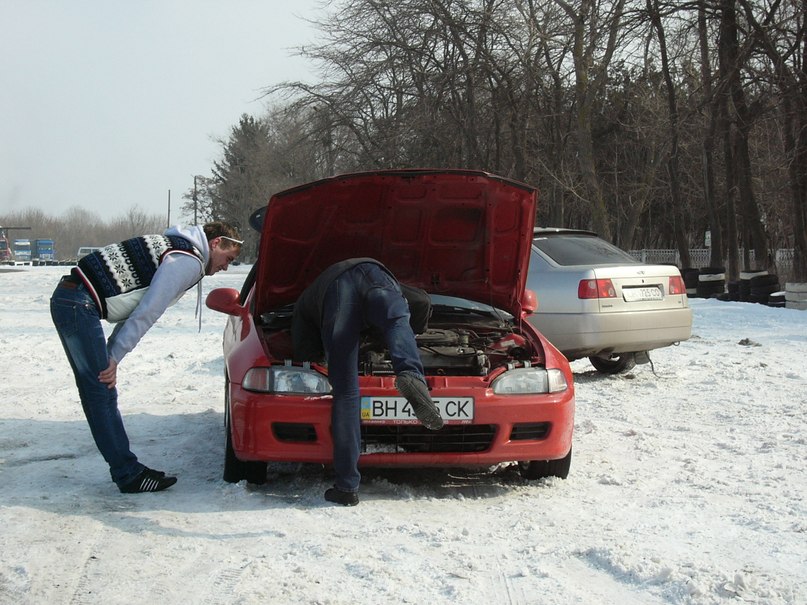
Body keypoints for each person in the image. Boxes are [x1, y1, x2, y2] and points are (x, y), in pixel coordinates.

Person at [50, 222, 243, 493]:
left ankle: (127, 471)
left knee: (98, 389)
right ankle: (128, 475)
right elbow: (148, 311)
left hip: (71, 298)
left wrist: (112, 354)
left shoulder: (176, 247)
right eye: (228, 259)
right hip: (77, 303)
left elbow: (137, 306)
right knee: (101, 389)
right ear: (215, 243)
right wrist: (114, 356)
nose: (226, 267)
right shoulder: (187, 260)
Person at [291, 258, 444, 506]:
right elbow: (422, 302)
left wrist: (322, 356)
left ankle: (347, 487)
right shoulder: (408, 292)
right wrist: (396, 335)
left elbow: (304, 351)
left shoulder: (304, 303)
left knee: (346, 393)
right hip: (380, 278)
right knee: (396, 321)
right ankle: (411, 373)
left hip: (338, 294)